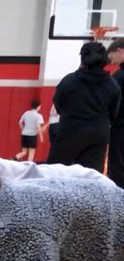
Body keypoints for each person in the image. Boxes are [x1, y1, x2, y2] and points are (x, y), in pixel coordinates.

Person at [48, 42, 120, 170]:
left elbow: (58, 104)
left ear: (83, 59)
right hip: (98, 134)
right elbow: (114, 113)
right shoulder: (112, 85)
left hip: (70, 131)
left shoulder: (69, 81)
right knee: (91, 178)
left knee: (54, 172)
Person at [107, 38, 124, 185]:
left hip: (120, 126)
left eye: (112, 57)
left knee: (118, 165)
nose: (111, 62)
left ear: (120, 51)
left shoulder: (118, 76)